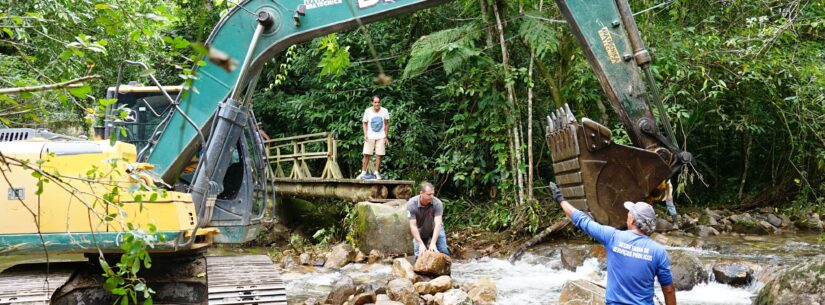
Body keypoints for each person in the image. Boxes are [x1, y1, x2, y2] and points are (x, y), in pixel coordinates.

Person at [549, 182, 677, 305]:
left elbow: (582, 221)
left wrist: (560, 199)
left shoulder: (613, 237)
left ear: (632, 219)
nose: (627, 215)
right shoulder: (658, 252)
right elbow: (669, 290)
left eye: (629, 213)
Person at [407, 182, 450, 260]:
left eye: (432, 194)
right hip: (420, 229)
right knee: (419, 255)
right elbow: (413, 225)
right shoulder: (411, 204)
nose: (431, 196)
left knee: (443, 252)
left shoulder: (437, 203)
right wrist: (420, 244)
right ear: (421, 193)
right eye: (429, 194)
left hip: (435, 228)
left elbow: (438, 224)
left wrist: (433, 243)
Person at [356, 95, 390, 180]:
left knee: (379, 155)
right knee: (366, 154)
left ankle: (376, 172)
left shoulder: (384, 111)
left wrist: (386, 136)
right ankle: (363, 172)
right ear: (372, 103)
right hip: (370, 135)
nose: (377, 104)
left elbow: (386, 123)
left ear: (380, 102)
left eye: (378, 102)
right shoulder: (368, 111)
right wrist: (365, 134)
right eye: (375, 102)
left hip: (381, 136)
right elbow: (364, 122)